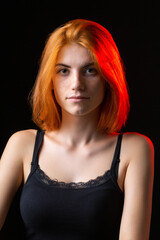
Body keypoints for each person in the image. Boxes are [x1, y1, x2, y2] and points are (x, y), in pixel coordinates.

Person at [0, 19, 154, 240]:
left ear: (107, 78)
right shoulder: (22, 144)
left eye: (90, 70)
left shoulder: (135, 149)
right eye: (63, 71)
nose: (76, 84)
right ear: (49, 79)